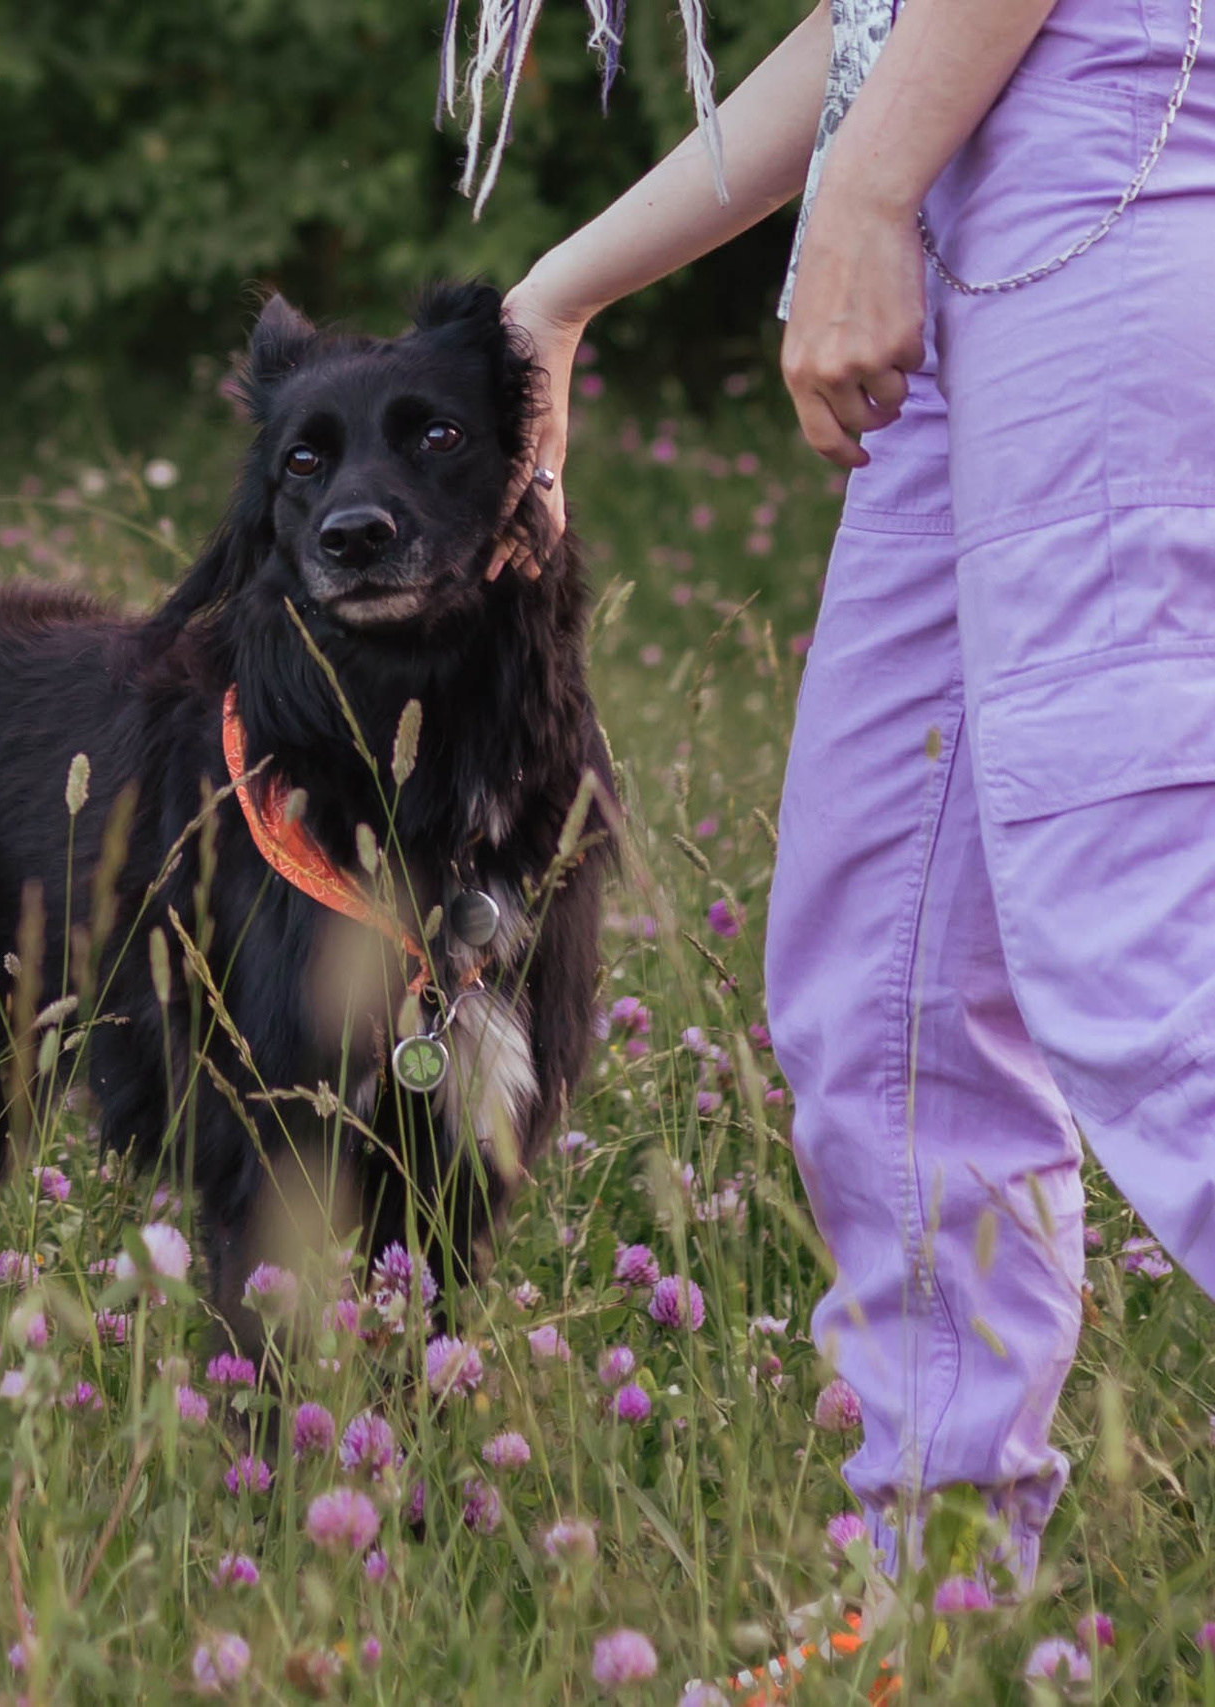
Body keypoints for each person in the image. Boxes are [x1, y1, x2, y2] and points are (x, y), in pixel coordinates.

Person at [499, 0, 1215, 1688]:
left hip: (1113, 165)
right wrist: (563, 290)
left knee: (1139, 951)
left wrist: (868, 194)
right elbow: (874, 23)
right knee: (884, 956)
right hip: (989, 170)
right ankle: (939, 1603)